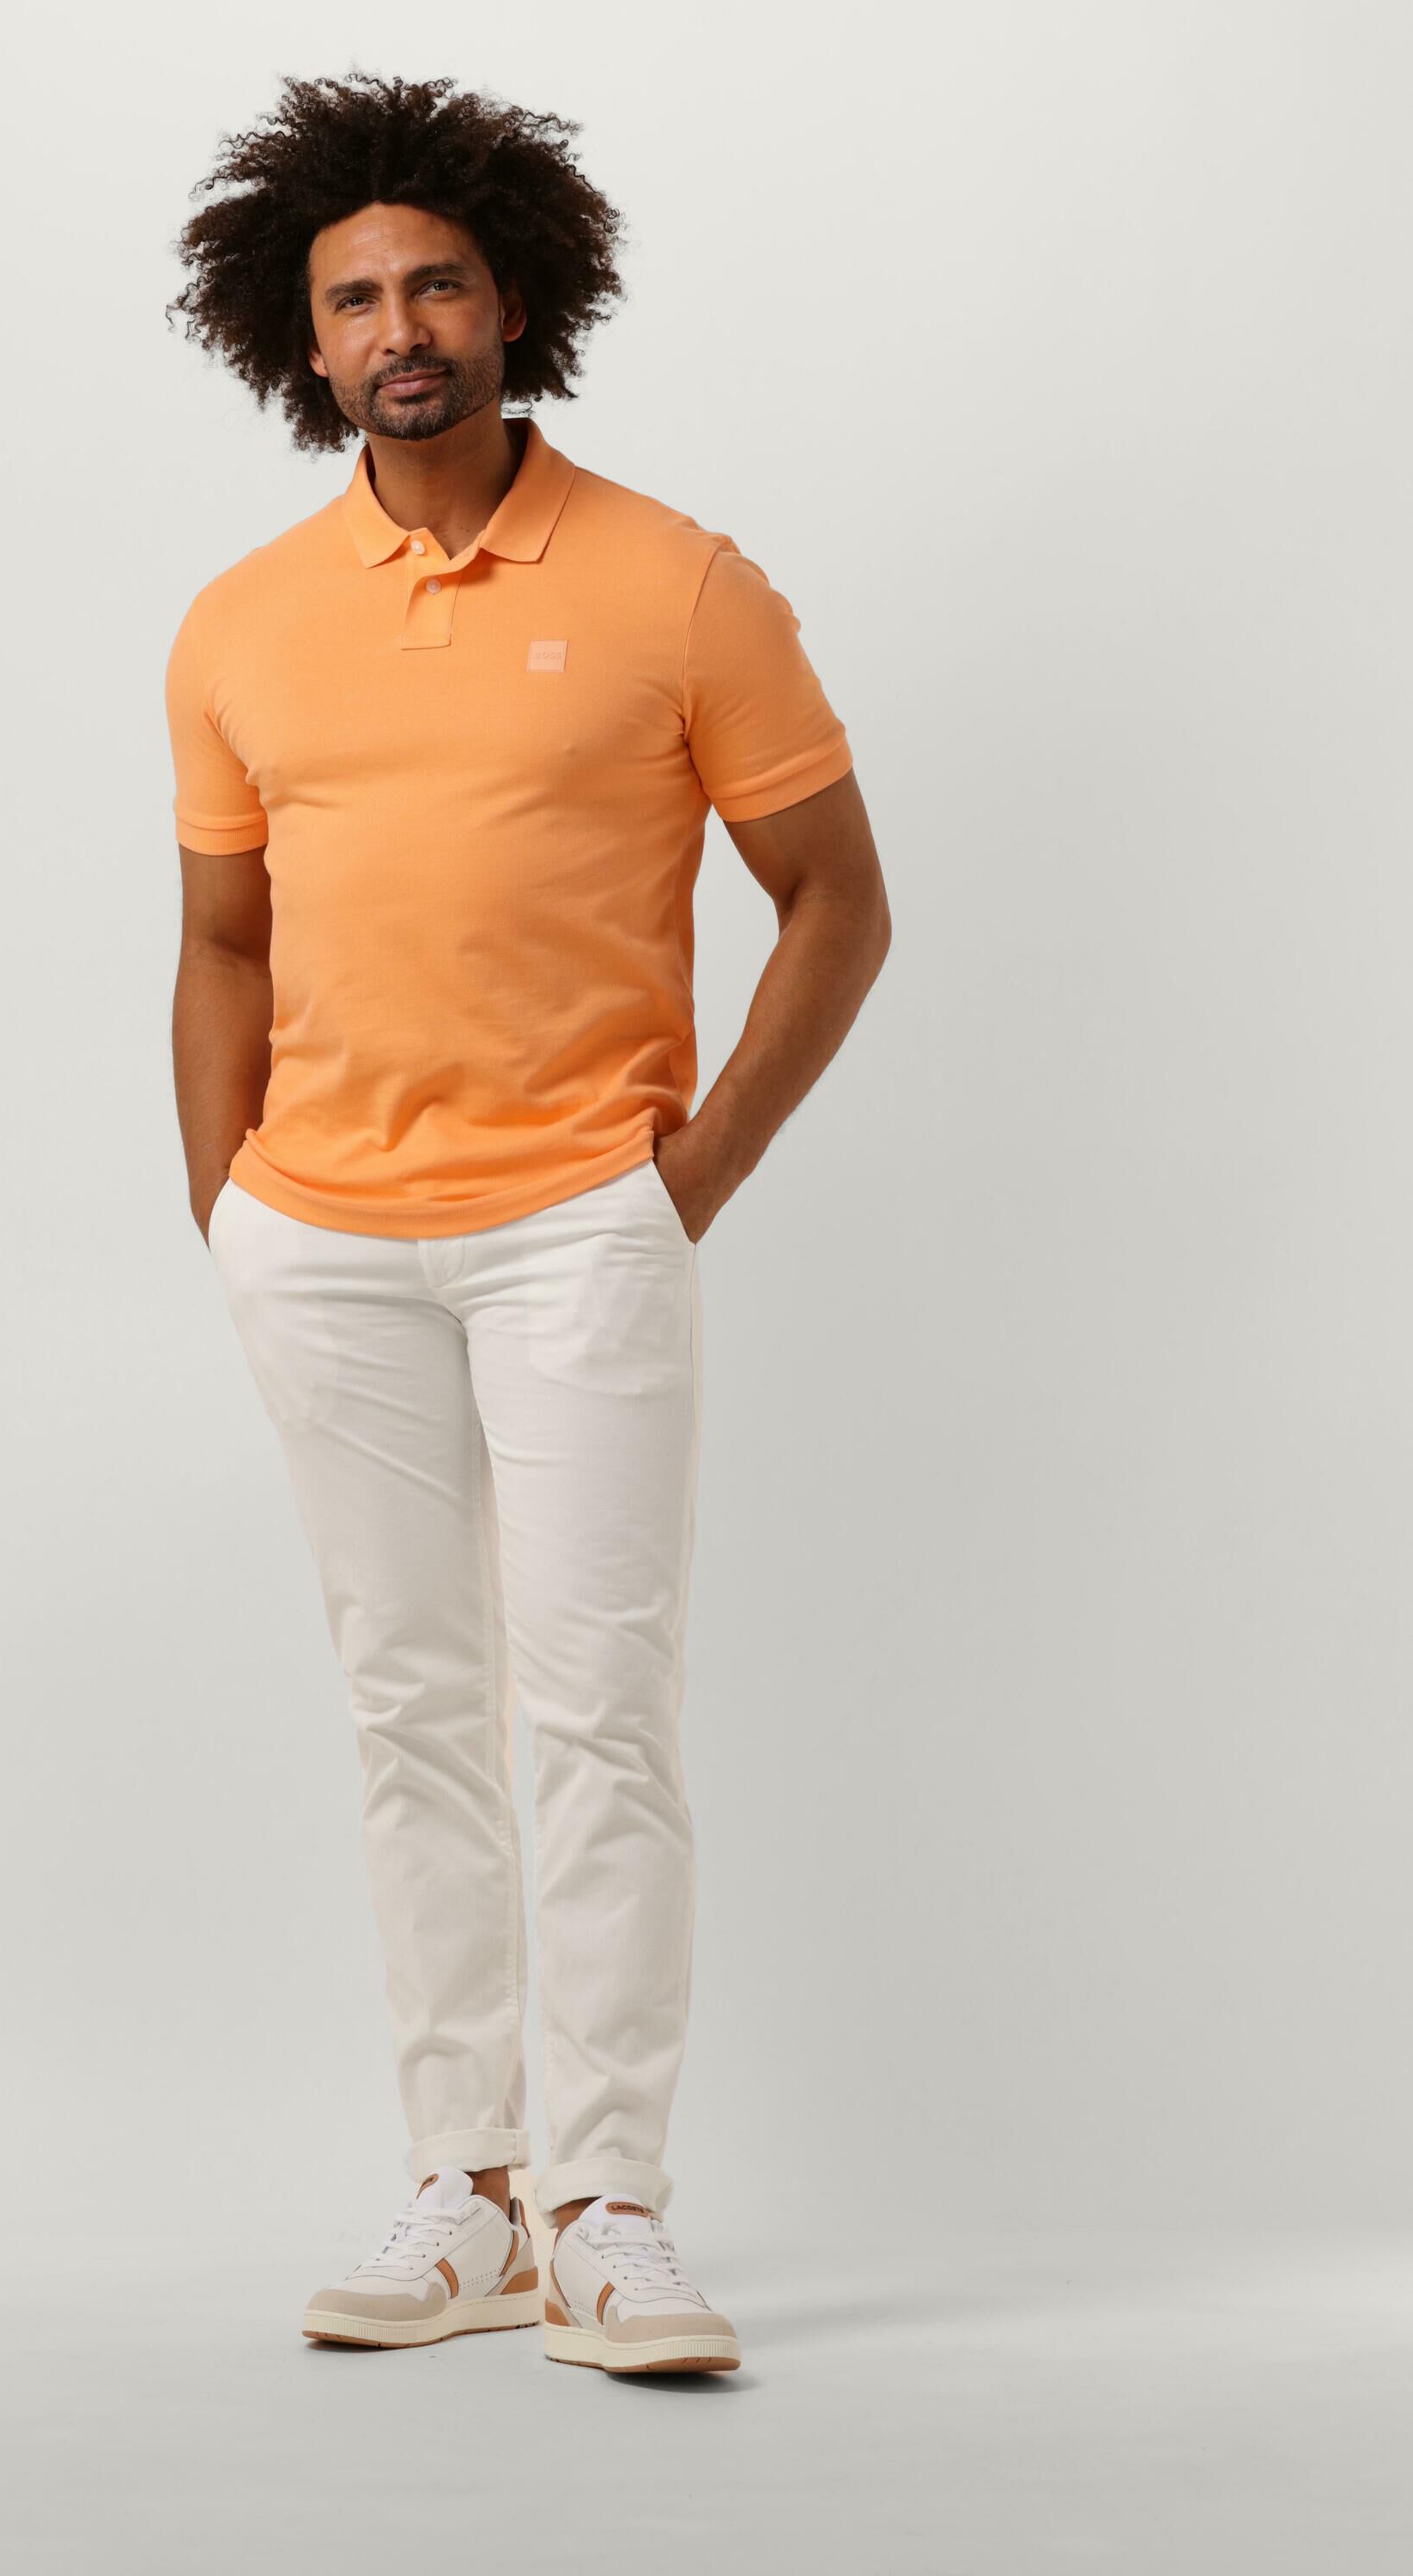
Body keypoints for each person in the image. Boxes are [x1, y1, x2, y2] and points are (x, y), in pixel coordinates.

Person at [164, 71, 890, 2376]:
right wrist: (227, 1212)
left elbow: (836, 903)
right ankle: (467, 2190)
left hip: (583, 1221)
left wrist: (690, 1177)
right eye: (354, 298)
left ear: (516, 300)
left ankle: (608, 2206)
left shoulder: (680, 584)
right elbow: (221, 943)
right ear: (297, 337)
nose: (399, 329)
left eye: (438, 284)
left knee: (597, 1715)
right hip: (320, 1242)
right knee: (410, 1711)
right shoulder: (241, 624)